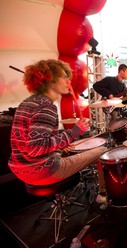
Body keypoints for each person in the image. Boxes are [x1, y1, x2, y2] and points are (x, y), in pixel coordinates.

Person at [8, 59, 108, 207]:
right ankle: (103, 196)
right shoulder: (46, 107)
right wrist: (75, 131)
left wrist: (58, 146)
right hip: (40, 171)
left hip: (20, 169)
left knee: (70, 148)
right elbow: (36, 147)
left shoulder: (28, 102)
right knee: (103, 150)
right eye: (63, 76)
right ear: (50, 79)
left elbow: (31, 141)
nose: (68, 80)